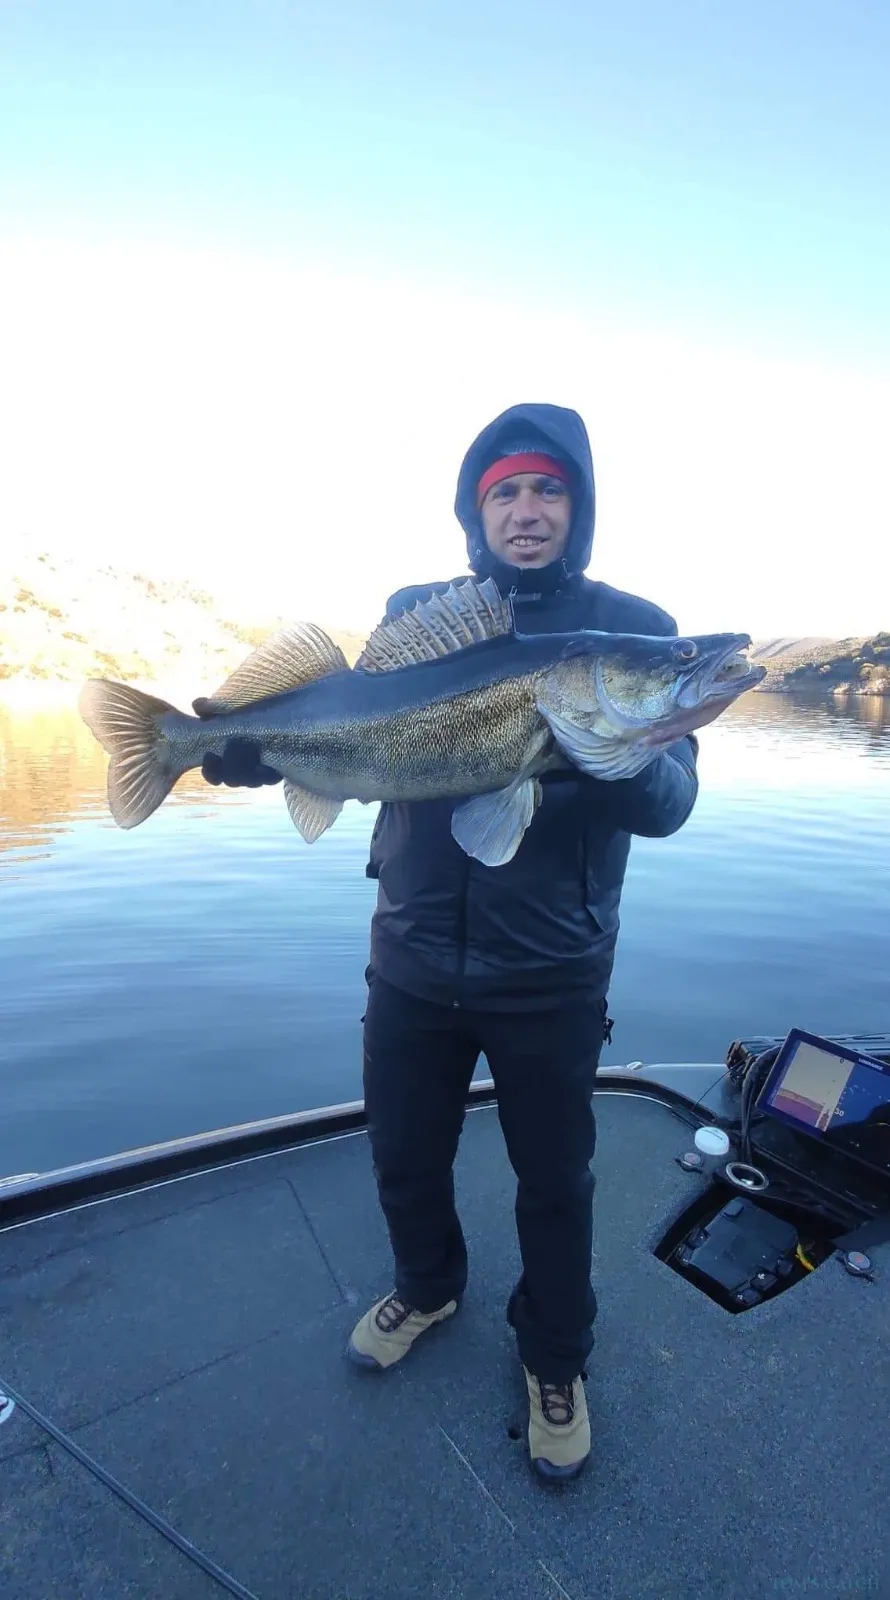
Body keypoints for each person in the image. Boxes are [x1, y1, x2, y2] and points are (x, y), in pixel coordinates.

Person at [203, 402, 700, 1482]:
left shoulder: (633, 629)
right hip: (413, 953)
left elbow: (670, 803)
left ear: (579, 507)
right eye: (504, 490)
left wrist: (611, 756)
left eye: (549, 489)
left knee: (555, 1179)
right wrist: (256, 747)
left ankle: (554, 1356)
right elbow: (354, 734)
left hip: (551, 970)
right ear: (477, 511)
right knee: (403, 1149)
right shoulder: (416, 611)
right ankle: (425, 1288)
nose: (527, 510)